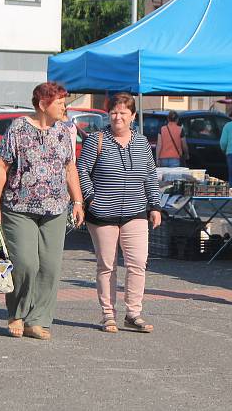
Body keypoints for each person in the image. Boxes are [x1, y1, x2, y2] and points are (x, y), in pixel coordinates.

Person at [0, 82, 84, 340]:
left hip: (55, 209)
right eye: (59, 101)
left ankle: (37, 320)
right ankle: (17, 313)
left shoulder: (64, 131)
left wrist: (78, 201)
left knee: (50, 267)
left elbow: (70, 168)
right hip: (19, 207)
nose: (64, 105)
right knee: (26, 264)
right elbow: (0, 167)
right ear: (43, 104)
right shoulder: (18, 129)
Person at [77, 93, 162, 333]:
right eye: (114, 112)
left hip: (136, 211)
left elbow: (149, 175)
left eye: (124, 113)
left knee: (138, 264)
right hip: (102, 213)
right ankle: (108, 314)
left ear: (133, 116)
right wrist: (91, 198)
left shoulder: (142, 142)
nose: (118, 117)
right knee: (107, 265)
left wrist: (154, 206)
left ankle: (133, 313)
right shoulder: (97, 139)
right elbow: (82, 170)